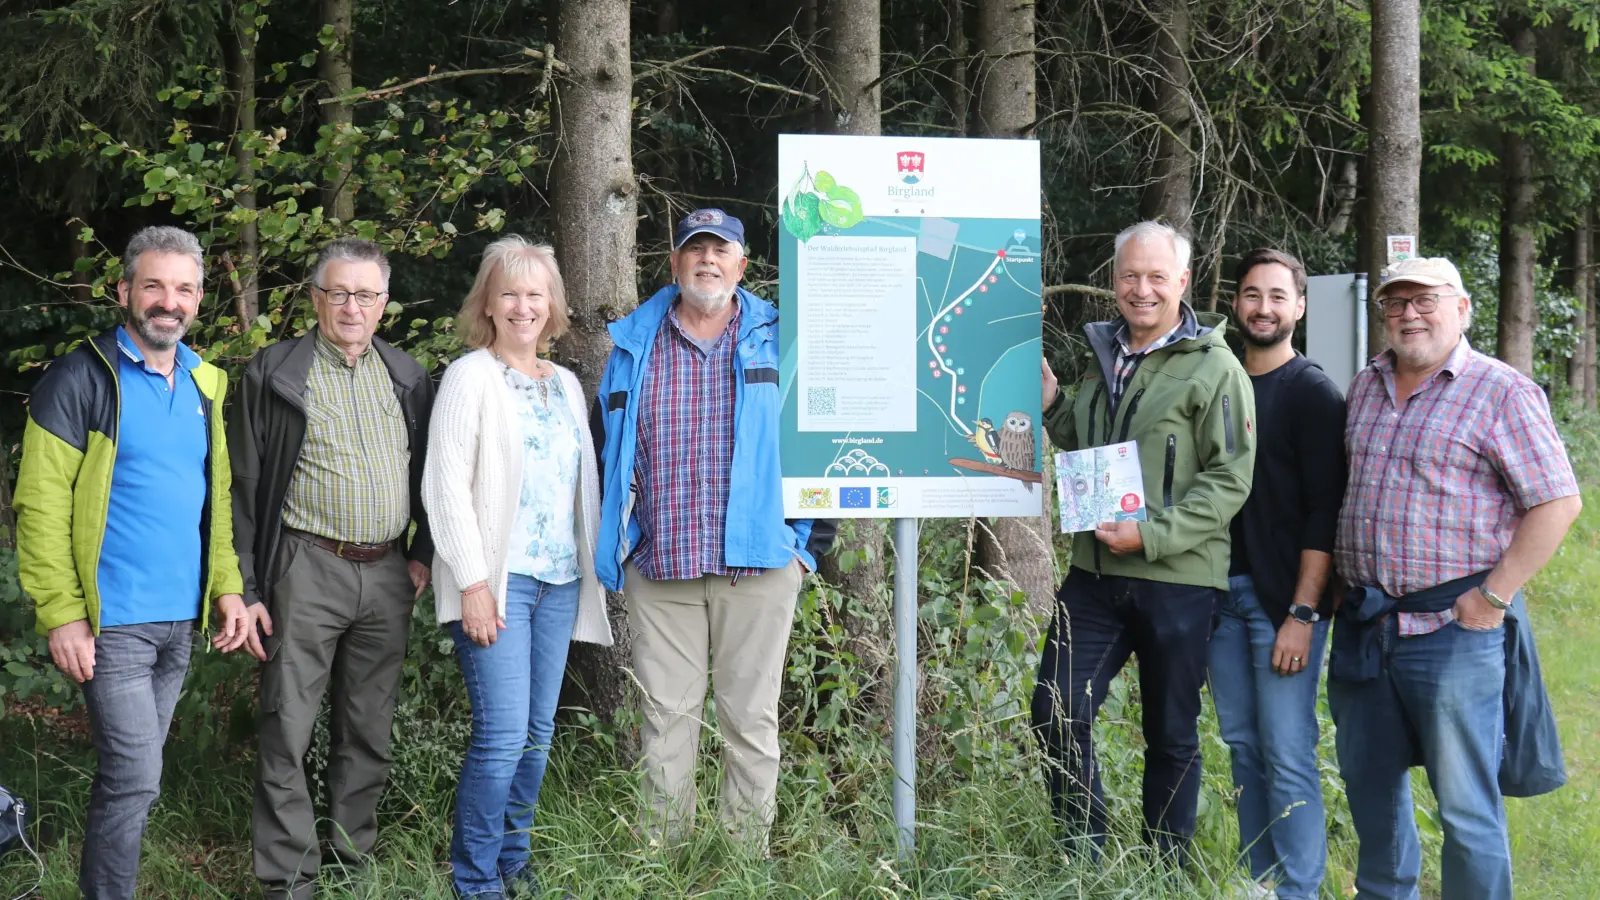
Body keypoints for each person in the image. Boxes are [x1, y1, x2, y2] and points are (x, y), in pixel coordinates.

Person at [14, 226, 254, 900]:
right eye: (153, 285)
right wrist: (62, 614)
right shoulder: (81, 378)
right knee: (134, 778)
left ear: (199, 300)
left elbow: (218, 500)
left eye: (183, 289)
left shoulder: (207, 383)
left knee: (133, 781)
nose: (167, 301)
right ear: (124, 291)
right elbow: (37, 505)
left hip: (181, 622)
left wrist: (228, 589)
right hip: (111, 624)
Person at [1330, 256, 1580, 900]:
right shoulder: (1365, 385)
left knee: (1466, 805)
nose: (1409, 313)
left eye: (1425, 300)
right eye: (1396, 302)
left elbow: (1557, 502)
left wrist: (1492, 597)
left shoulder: (1502, 391)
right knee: (1372, 791)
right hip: (1367, 626)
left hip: (1453, 629)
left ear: (1462, 308)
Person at [592, 208, 835, 850]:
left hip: (757, 565)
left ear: (742, 265)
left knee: (749, 721)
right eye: (694, 249)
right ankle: (665, 863)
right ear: (673, 264)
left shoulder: (782, 339)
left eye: (720, 250)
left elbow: (822, 444)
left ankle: (741, 866)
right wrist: (623, 541)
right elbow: (607, 450)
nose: (707, 260)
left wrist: (804, 548)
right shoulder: (632, 344)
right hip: (661, 564)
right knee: (664, 722)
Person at [1032, 220, 1255, 866]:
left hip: (1180, 577)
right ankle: (1084, 853)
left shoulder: (1216, 369)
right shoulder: (1104, 354)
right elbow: (1097, 442)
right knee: (1054, 708)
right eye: (1131, 275)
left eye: (1158, 276)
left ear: (1182, 283)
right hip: (1096, 574)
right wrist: (1054, 405)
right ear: (1114, 281)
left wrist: (1152, 536)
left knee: (1169, 734)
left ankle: (1165, 870)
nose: (1143, 289)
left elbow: (1229, 479)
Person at [229, 238, 435, 900]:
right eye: (338, 292)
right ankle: (290, 882)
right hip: (305, 566)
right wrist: (248, 584)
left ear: (385, 304)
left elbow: (436, 473)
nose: (352, 306)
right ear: (316, 298)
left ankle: (350, 870)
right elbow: (240, 485)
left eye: (366, 294)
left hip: (386, 574)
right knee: (288, 729)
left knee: (366, 731)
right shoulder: (274, 372)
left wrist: (423, 552)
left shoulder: (407, 376)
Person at [422, 236, 613, 899]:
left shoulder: (563, 384)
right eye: (510, 292)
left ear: (552, 305)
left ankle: (512, 857)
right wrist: (473, 583)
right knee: (502, 736)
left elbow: (580, 484)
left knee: (536, 734)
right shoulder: (468, 376)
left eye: (536, 294)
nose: (523, 306)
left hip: (560, 581)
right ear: (488, 303)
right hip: (498, 583)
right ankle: (474, 877)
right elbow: (445, 487)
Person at [1209, 249, 1346, 900]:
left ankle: (1299, 890)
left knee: (1288, 755)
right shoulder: (1217, 380)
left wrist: (1302, 614)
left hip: (1283, 606)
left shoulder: (1311, 392)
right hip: (1218, 599)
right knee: (1242, 745)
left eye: (1276, 296)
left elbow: (1326, 513)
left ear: (1299, 306)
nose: (1263, 307)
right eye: (1251, 294)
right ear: (1235, 303)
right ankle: (1257, 883)